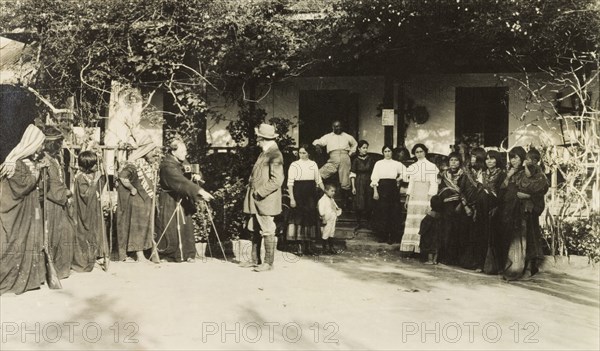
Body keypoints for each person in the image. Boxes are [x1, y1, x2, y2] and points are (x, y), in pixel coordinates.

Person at [0, 125, 46, 295]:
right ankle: (10, 281)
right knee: (15, 243)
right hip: (16, 213)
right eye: (40, 144)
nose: (42, 148)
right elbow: (23, 186)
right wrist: (37, 172)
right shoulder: (16, 164)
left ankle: (28, 280)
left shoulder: (25, 162)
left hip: (26, 211)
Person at [156, 138, 213, 263]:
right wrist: (199, 191)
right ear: (173, 151)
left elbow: (189, 175)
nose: (185, 154)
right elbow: (179, 180)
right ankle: (169, 254)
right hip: (170, 200)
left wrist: (197, 176)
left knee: (185, 226)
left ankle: (188, 254)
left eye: (185, 151)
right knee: (170, 226)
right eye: (182, 151)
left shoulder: (183, 161)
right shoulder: (167, 165)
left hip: (183, 198)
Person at [241, 123, 284, 272]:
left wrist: (260, 192)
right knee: (255, 228)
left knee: (267, 230)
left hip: (265, 200)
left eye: (258, 138)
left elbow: (277, 180)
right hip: (257, 200)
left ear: (263, 138)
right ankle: (255, 260)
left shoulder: (275, 154)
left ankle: (268, 263)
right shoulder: (265, 152)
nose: (257, 141)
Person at [503, 148, 549, 281]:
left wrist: (528, 196)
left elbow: (541, 192)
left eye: (530, 160)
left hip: (530, 212)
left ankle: (529, 268)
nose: (528, 162)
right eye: (526, 160)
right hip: (517, 212)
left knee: (531, 239)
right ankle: (515, 268)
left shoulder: (541, 176)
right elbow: (509, 190)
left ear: (536, 162)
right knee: (517, 240)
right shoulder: (518, 175)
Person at [116, 135, 160, 263]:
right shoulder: (133, 165)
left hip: (145, 201)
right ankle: (140, 255)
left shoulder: (145, 164)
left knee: (144, 228)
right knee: (138, 228)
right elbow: (123, 177)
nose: (154, 154)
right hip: (137, 203)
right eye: (152, 151)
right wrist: (131, 188)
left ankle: (143, 253)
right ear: (146, 151)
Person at [41, 125, 75, 279]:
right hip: (52, 203)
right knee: (54, 235)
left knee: (65, 233)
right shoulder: (44, 160)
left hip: (60, 201)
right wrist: (65, 193)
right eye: (59, 143)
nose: (61, 146)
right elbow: (50, 186)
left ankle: (61, 267)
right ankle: (52, 269)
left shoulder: (55, 159)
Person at [72, 150, 107, 272]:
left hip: (93, 209)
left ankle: (94, 256)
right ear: (87, 166)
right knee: (85, 233)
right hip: (84, 211)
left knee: (95, 231)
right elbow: (85, 195)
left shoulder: (91, 175)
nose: (96, 166)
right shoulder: (81, 177)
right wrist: (95, 182)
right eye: (94, 164)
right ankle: (83, 261)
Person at [401, 143, 439, 254]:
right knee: (412, 221)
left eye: (421, 151)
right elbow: (411, 183)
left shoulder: (431, 166)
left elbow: (434, 184)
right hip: (414, 197)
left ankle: (422, 248)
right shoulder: (413, 167)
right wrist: (408, 198)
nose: (419, 154)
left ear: (425, 152)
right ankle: (411, 248)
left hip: (425, 196)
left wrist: (431, 200)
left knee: (422, 221)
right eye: (417, 152)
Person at [286, 144, 324, 256]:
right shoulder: (294, 165)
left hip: (310, 195)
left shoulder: (313, 164)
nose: (301, 155)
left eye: (304, 153)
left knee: (310, 219)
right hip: (298, 194)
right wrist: (292, 198)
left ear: (309, 153)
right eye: (300, 152)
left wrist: (325, 192)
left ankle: (308, 247)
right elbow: (290, 183)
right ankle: (299, 247)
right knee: (299, 219)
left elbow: (319, 180)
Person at [312, 120, 358, 207]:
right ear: (332, 127)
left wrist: (351, 152)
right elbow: (317, 141)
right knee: (319, 174)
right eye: (336, 126)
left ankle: (345, 204)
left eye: (339, 126)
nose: (338, 128)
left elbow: (355, 144)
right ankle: (320, 199)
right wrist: (318, 146)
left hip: (345, 157)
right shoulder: (328, 136)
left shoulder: (347, 136)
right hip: (333, 157)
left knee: (345, 181)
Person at [437, 152, 469, 265]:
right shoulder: (444, 175)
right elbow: (440, 190)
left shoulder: (464, 175)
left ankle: (457, 259)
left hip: (460, 205)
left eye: (456, 160)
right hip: (446, 206)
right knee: (446, 231)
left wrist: (461, 204)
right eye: (451, 160)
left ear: (460, 162)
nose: (453, 163)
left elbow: (465, 191)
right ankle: (446, 258)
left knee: (458, 232)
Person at [370, 145, 407, 244]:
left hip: (392, 189)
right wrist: (375, 191)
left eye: (389, 151)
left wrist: (399, 179)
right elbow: (374, 178)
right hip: (381, 189)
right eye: (385, 151)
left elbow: (406, 172)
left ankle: (392, 236)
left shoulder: (396, 164)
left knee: (393, 212)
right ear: (383, 153)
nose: (387, 153)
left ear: (392, 152)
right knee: (382, 212)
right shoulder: (379, 163)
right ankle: (383, 236)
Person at [479, 150, 507, 274]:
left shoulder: (502, 174)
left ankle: (498, 266)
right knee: (483, 235)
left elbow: (503, 193)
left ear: (497, 160)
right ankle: (483, 264)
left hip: (497, 208)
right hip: (483, 207)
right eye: (487, 159)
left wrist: (496, 207)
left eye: (492, 158)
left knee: (496, 237)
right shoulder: (482, 174)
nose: (489, 161)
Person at [350, 140, 375, 229]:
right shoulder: (356, 160)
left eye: (366, 148)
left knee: (368, 201)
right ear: (359, 149)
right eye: (363, 148)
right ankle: (359, 223)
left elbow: (374, 172)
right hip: (359, 182)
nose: (365, 150)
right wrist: (353, 187)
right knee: (359, 202)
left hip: (368, 182)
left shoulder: (370, 159)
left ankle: (368, 222)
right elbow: (353, 174)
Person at [419, 195, 443, 265]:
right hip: (438, 236)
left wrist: (421, 232)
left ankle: (430, 260)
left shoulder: (429, 217)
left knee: (429, 246)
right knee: (436, 247)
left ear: (431, 204)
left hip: (430, 236)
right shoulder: (440, 217)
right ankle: (435, 260)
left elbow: (423, 227)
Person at [318, 183, 342, 254]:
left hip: (332, 218)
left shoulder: (331, 199)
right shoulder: (323, 200)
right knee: (326, 233)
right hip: (326, 219)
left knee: (331, 232)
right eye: (332, 191)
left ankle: (331, 247)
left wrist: (336, 214)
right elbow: (321, 209)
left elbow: (335, 207)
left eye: (334, 191)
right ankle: (324, 248)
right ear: (326, 191)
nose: (333, 193)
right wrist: (323, 217)